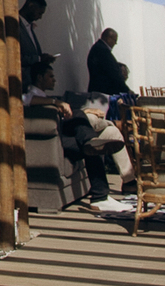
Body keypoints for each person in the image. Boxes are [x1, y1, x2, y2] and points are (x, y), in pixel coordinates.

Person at [25, 59, 135, 212]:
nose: (54, 79)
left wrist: (77, 110)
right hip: (58, 140)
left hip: (65, 135)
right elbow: (26, 100)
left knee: (103, 137)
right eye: (51, 76)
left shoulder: (45, 96)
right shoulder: (30, 94)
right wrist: (57, 103)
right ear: (39, 77)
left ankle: (122, 184)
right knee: (86, 132)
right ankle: (100, 196)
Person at [17, 0, 48, 91]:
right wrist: (38, 59)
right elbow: (15, 57)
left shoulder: (29, 27)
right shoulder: (14, 25)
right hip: (20, 84)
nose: (40, 17)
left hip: (31, 86)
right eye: (39, 13)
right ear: (30, 5)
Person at [87, 27, 129, 98]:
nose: (115, 43)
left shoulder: (99, 48)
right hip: (102, 93)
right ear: (109, 38)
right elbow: (113, 72)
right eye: (115, 40)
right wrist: (126, 90)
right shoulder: (102, 50)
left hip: (98, 91)